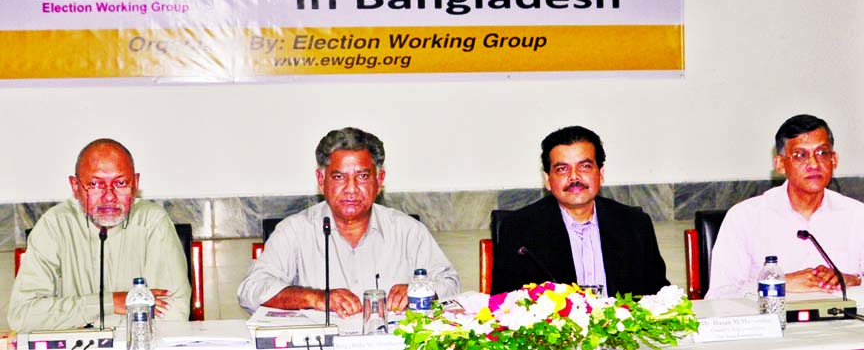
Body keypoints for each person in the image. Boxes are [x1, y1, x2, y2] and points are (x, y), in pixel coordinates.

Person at [237, 127, 460, 316]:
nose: (351, 189)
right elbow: (251, 290)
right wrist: (315, 298)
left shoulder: (408, 232)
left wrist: (421, 291)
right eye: (339, 177)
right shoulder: (294, 231)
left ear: (379, 180)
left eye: (362, 176)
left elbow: (451, 285)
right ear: (321, 180)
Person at [706, 114, 864, 299]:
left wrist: (854, 281)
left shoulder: (859, 216)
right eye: (800, 155)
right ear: (780, 164)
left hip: (845, 325)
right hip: (773, 326)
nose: (814, 164)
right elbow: (719, 295)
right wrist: (778, 283)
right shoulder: (744, 218)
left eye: (822, 153)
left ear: (834, 160)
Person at [7, 139, 190, 332]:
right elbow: (23, 315)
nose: (109, 196)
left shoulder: (153, 223)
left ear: (135, 184)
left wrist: (75, 316)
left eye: (120, 183)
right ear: (75, 187)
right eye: (95, 184)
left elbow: (173, 316)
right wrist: (110, 303)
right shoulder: (54, 226)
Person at [491, 125, 669, 296]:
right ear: (547, 179)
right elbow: (503, 306)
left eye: (584, 166)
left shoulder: (634, 224)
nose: (574, 177)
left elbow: (659, 296)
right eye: (562, 169)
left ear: (600, 173)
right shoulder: (519, 229)